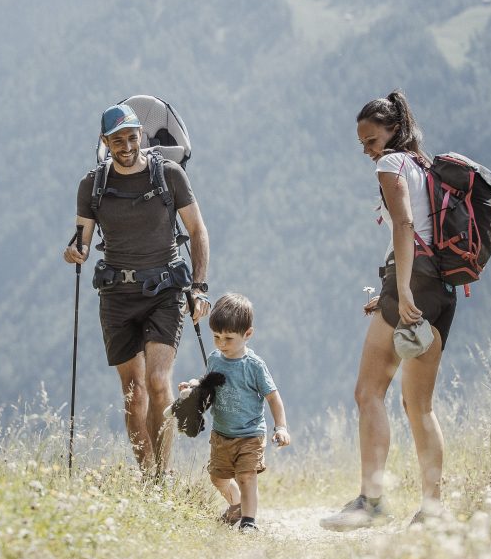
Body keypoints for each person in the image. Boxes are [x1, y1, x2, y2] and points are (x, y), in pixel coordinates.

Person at [321, 90, 456, 530]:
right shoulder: (423, 165)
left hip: (411, 280)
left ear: (393, 131)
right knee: (419, 406)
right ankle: (432, 510)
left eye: (372, 140)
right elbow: (426, 231)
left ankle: (371, 503)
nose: (367, 151)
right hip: (441, 285)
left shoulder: (390, 164)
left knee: (368, 392)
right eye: (362, 144)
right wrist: (393, 295)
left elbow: (404, 225)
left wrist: (399, 288)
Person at [64, 102, 211, 475]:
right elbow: (83, 239)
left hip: (164, 292)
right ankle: (147, 478)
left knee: (159, 382)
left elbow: (197, 232)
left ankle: (162, 477)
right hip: (116, 297)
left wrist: (198, 287)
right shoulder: (92, 185)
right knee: (134, 396)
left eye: (132, 137)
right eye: (118, 140)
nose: (126, 146)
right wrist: (75, 252)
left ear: (141, 135)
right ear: (105, 142)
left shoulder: (170, 176)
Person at [188, 293, 289, 533]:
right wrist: (193, 386)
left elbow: (273, 397)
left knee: (246, 476)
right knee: (218, 478)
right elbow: (208, 385)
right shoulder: (214, 359)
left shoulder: (253, 366)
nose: (221, 343)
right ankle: (236, 505)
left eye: (228, 338)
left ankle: (249, 522)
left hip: (250, 434)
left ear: (247, 335)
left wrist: (281, 427)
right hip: (221, 433)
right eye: (216, 337)